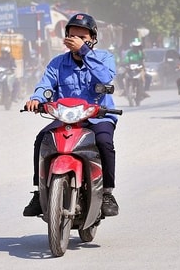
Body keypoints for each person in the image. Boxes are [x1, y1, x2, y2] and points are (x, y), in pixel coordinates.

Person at [23, 13, 120, 217]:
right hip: (66, 118)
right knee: (42, 140)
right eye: (72, 37)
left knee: (104, 143)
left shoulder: (104, 58)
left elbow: (106, 77)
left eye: (83, 38)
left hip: (97, 117)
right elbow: (45, 85)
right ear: (66, 39)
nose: (77, 42)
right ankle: (39, 191)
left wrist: (84, 51)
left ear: (93, 39)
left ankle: (107, 192)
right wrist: (36, 99)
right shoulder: (57, 63)